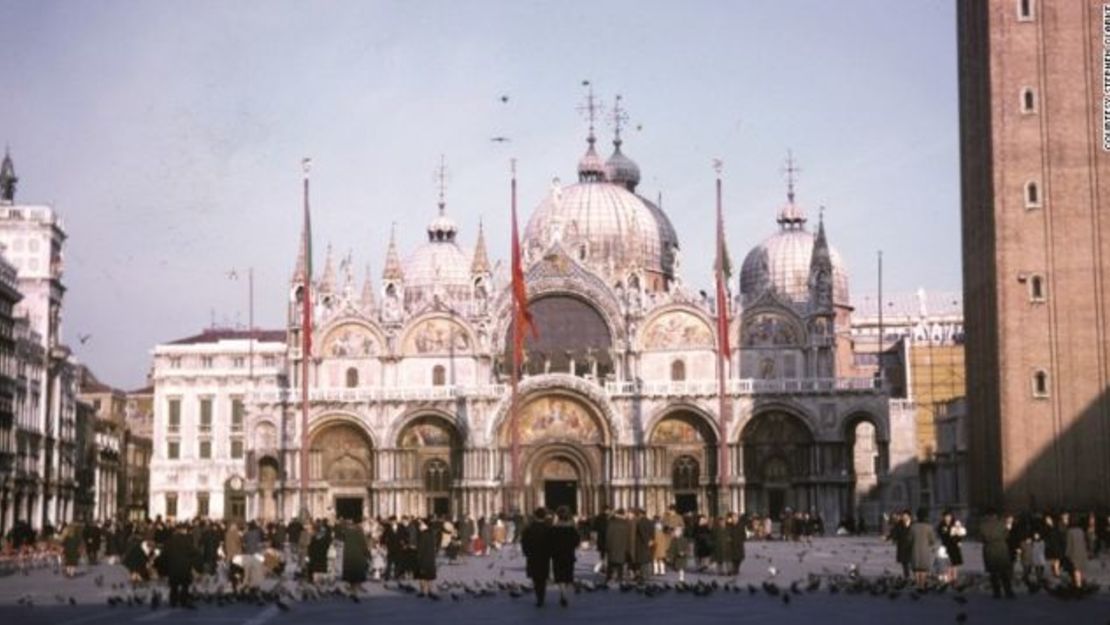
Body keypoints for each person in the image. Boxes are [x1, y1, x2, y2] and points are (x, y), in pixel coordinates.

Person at [521, 508, 553, 607]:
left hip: (533, 556)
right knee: (542, 578)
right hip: (544, 557)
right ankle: (542, 597)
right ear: (544, 516)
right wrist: (550, 553)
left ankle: (539, 597)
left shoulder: (529, 528)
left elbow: (524, 542)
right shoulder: (548, 528)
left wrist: (526, 553)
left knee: (535, 578)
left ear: (535, 516)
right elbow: (552, 543)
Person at [980, 509, 1014, 599]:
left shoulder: (983, 525)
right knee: (1004, 573)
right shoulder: (1001, 524)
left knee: (993, 573)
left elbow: (981, 538)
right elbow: (1006, 536)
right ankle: (1008, 591)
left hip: (989, 549)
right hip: (1001, 549)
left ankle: (996, 592)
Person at [549, 507, 579, 606]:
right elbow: (576, 542)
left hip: (557, 555)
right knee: (567, 574)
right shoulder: (571, 529)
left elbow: (550, 542)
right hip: (569, 554)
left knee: (559, 575)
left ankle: (563, 593)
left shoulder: (553, 529)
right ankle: (565, 592)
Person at [163, 524, 197, 608]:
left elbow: (165, 553)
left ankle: (173, 602)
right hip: (184, 566)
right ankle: (183, 601)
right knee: (185, 585)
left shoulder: (170, 540)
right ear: (183, 530)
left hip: (173, 565)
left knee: (174, 586)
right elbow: (193, 551)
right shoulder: (186, 539)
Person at [909, 508, 938, 589]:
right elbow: (932, 540)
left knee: (917, 569)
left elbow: (909, 539)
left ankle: (918, 584)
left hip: (915, 550)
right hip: (925, 550)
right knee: (923, 569)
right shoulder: (929, 527)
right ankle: (922, 585)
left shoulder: (913, 527)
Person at [937, 510, 965, 583]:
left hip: (954, 546)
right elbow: (940, 533)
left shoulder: (955, 524)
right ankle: (949, 578)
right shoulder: (942, 525)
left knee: (954, 564)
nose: (947, 518)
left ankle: (954, 578)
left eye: (949, 516)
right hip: (946, 546)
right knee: (948, 563)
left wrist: (958, 539)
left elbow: (960, 534)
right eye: (946, 517)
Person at [1063, 512, 1088, 589]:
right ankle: (1082, 583)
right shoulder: (1081, 531)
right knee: (1081, 569)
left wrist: (1067, 554)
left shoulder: (1070, 532)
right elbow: (1084, 543)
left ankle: (1078, 585)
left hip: (1074, 554)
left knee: (1075, 570)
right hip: (1082, 553)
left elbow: (1069, 545)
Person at [342, 522, 369, 591]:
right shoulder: (359, 533)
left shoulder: (347, 532)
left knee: (351, 573)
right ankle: (355, 589)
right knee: (357, 573)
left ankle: (352, 587)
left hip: (349, 555)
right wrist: (368, 554)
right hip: (358, 555)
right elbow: (363, 545)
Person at [414, 518, 438, 597]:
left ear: (425, 525)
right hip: (430, 558)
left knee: (422, 576)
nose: (420, 526)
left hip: (423, 558)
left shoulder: (422, 535)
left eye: (421, 524)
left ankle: (422, 591)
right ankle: (430, 590)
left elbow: (420, 548)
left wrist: (418, 556)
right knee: (429, 576)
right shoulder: (431, 533)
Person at [604, 509, 630, 582]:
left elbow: (608, 535)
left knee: (611, 562)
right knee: (620, 563)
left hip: (612, 545)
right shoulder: (626, 524)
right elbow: (628, 536)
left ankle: (609, 577)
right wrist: (627, 546)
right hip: (622, 545)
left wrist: (607, 546)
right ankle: (619, 577)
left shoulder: (611, 523)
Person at [727, 513, 746, 577]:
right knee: (733, 558)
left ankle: (736, 569)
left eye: (735, 518)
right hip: (732, 544)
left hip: (739, 544)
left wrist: (742, 539)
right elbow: (727, 533)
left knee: (739, 558)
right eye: (733, 518)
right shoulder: (729, 526)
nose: (734, 519)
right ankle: (734, 569)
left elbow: (744, 534)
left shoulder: (741, 525)